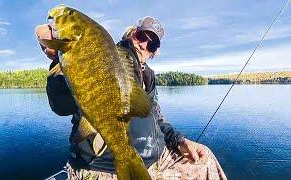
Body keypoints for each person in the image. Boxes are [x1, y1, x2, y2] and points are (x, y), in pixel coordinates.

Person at [36, 13, 226, 180]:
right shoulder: (106, 59)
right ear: (131, 33)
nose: (144, 44)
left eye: (152, 43)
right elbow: (61, 106)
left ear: (155, 51)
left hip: (156, 158)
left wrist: (180, 141)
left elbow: (156, 117)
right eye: (141, 36)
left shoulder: (149, 75)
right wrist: (59, 61)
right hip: (105, 166)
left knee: (204, 157)